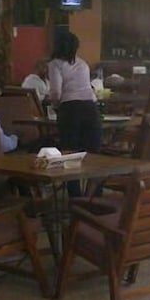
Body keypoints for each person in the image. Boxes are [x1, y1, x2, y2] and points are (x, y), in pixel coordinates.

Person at [48, 32, 101, 195]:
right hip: (90, 109)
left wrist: (56, 106)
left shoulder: (55, 64)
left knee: (70, 155)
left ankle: (75, 197)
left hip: (70, 110)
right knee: (94, 155)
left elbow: (56, 92)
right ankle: (95, 196)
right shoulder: (83, 64)